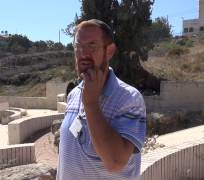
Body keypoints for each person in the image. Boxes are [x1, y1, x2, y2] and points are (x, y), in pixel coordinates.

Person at [57, 19, 146, 180]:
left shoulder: (129, 99)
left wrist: (91, 104)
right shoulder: (74, 94)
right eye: (78, 46)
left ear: (109, 51)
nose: (83, 53)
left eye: (92, 46)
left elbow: (115, 162)